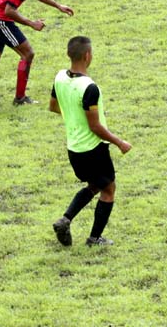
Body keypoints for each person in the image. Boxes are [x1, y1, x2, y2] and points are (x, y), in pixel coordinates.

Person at [50, 36, 132, 247]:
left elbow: (53, 106)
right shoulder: (89, 87)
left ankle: (65, 220)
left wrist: (73, 115)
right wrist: (119, 142)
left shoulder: (59, 77)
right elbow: (95, 127)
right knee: (109, 189)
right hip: (93, 149)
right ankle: (94, 238)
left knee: (95, 184)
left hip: (74, 148)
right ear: (88, 56)